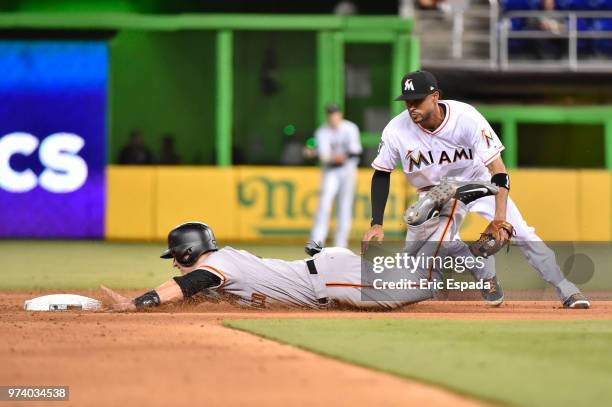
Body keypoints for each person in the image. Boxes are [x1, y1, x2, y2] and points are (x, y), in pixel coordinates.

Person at [361, 70, 590, 309]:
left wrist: (500, 219)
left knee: (521, 231)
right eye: (407, 101)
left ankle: (566, 288)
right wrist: (376, 222)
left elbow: (498, 169)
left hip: (477, 182)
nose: (411, 106)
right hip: (433, 195)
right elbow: (381, 174)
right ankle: (485, 274)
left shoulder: (466, 118)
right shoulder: (396, 130)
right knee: (436, 247)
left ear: (435, 97)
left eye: (417, 100)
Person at [103, 219, 482, 311]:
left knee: (415, 290)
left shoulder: (215, 267)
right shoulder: (219, 269)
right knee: (405, 281)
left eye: (175, 258)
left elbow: (187, 287)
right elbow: (193, 296)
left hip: (329, 279)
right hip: (324, 269)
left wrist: (135, 304)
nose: (175, 266)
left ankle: (451, 239)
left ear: (186, 253)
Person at [309, 104, 362, 249]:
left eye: (335, 113)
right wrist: (333, 158)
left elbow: (356, 151)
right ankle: (317, 241)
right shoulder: (322, 131)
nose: (333, 117)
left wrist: (339, 157)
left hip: (348, 170)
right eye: (330, 114)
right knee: (324, 202)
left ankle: (341, 242)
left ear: (340, 114)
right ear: (327, 116)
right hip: (330, 171)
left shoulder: (350, 128)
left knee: (344, 205)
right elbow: (324, 156)